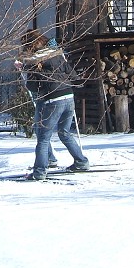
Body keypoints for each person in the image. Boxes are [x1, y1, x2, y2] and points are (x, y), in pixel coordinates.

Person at [17, 29, 90, 180]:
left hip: (51, 100)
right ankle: (81, 162)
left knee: (43, 138)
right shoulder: (56, 53)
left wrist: (24, 70)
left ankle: (39, 172)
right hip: (68, 96)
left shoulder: (33, 60)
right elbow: (71, 73)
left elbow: (31, 86)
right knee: (64, 132)